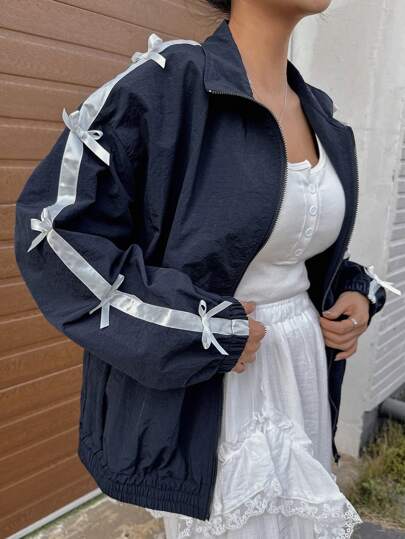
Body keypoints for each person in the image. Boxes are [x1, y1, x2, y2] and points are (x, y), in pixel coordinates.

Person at [14, 0, 399, 537]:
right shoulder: (167, 87)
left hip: (301, 369)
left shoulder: (318, 109)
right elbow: (56, 235)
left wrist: (350, 291)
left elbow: (286, 247)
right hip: (216, 389)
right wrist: (197, 328)